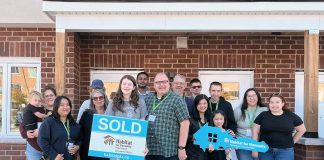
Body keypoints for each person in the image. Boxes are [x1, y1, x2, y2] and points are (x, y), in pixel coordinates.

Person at [145, 72, 190, 160]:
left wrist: (181, 148)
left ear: (169, 84)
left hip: (168, 152)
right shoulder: (148, 99)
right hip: (148, 150)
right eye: (158, 82)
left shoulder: (177, 100)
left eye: (164, 82)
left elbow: (185, 123)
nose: (161, 84)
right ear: (154, 85)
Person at [252, 93, 307, 160]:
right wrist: (255, 148)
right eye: (271, 102)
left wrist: (292, 141)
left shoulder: (291, 116)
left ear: (282, 103)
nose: (274, 105)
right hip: (265, 150)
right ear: (269, 104)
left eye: (277, 102)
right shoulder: (263, 115)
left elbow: (302, 129)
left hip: (285, 151)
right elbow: (255, 132)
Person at [38, 96, 81, 160]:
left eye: (68, 105)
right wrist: (54, 155)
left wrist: (78, 146)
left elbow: (80, 138)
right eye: (62, 105)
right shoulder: (48, 122)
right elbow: (42, 141)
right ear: (56, 107)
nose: (65, 107)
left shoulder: (74, 124)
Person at [234, 88, 267, 160]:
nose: (251, 98)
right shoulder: (238, 111)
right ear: (245, 98)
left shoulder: (265, 110)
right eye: (249, 96)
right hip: (242, 144)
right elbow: (233, 126)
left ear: (258, 96)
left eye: (254, 95)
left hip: (259, 143)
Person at [79, 89, 110, 160]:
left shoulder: (110, 114)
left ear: (105, 98)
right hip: (89, 153)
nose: (98, 100)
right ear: (92, 100)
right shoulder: (86, 114)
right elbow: (80, 133)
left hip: (106, 153)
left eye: (101, 97)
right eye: (95, 98)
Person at [21, 91, 49, 160]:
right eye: (46, 96)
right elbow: (22, 125)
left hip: (49, 148)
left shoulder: (55, 111)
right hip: (33, 148)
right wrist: (26, 134)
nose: (49, 98)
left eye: (51, 95)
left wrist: (41, 131)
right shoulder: (31, 108)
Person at [186, 94, 212, 160]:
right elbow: (184, 136)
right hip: (193, 154)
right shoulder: (190, 119)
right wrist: (195, 137)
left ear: (208, 104)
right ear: (195, 105)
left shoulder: (210, 118)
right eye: (199, 104)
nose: (202, 106)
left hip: (207, 154)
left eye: (204, 103)